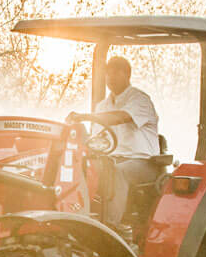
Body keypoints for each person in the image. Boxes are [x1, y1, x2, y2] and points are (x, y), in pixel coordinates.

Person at [67, 55, 162, 226]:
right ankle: (77, 217)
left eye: (115, 74)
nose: (110, 78)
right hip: (111, 159)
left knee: (118, 172)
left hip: (143, 162)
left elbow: (121, 117)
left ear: (127, 75)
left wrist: (86, 116)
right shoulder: (102, 106)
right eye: (107, 74)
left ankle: (110, 227)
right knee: (78, 167)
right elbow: (98, 138)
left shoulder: (140, 100)